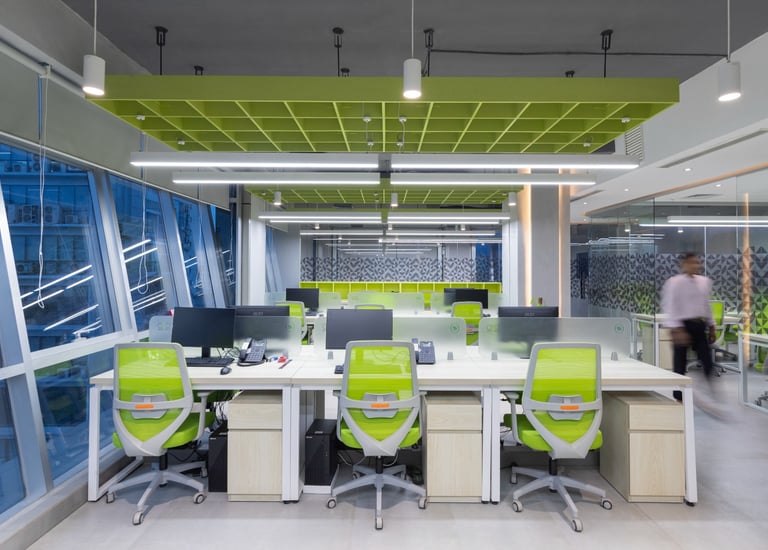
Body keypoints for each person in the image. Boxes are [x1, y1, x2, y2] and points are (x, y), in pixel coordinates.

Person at [661, 252, 716, 403]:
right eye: (691, 262)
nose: (695, 265)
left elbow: (706, 305)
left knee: (707, 360)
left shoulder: (704, 282)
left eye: (697, 262)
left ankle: (712, 393)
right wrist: (676, 329)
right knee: (680, 363)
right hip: (681, 325)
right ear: (683, 265)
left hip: (699, 324)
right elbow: (669, 306)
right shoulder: (674, 282)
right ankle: (679, 397)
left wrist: (712, 325)